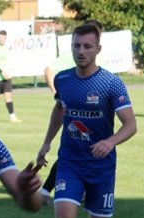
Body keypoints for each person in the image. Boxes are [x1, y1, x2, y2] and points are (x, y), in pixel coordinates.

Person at [36, 22, 137, 218]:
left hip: (102, 167)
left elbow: (130, 125)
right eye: (77, 46)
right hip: (70, 162)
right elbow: (60, 109)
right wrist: (46, 143)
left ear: (98, 49)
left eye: (87, 46)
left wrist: (110, 141)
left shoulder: (111, 83)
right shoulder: (63, 79)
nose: (81, 51)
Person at [40, 20, 104, 205]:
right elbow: (49, 70)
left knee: (85, 156)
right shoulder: (76, 55)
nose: (82, 49)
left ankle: (61, 191)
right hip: (76, 121)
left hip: (95, 125)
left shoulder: (99, 59)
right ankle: (47, 190)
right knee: (73, 154)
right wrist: (58, 95)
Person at [0, 30, 22, 123]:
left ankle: (12, 116)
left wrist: (10, 70)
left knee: (8, 96)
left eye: (3, 38)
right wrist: (2, 72)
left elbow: (6, 61)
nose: (2, 39)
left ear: (6, 38)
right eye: (0, 37)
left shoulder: (6, 47)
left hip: (6, 77)